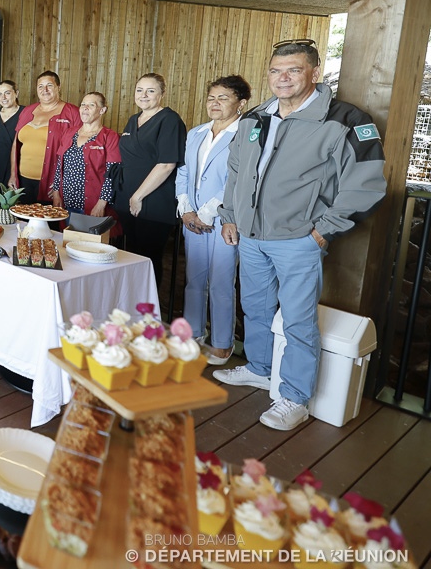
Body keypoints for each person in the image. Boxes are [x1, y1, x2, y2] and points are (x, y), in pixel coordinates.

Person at [214, 41, 385, 431]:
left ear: (314, 73)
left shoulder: (345, 120)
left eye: (293, 70)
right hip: (251, 235)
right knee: (255, 308)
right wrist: (230, 216)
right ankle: (259, 368)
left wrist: (323, 232)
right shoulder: (256, 116)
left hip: (299, 241)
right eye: (276, 71)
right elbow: (237, 171)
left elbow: (367, 183)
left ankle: (294, 396)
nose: (282, 78)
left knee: (298, 321)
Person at [175, 75, 251, 365]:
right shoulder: (196, 132)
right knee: (193, 279)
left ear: (241, 103)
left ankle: (222, 343)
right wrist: (185, 206)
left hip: (224, 218)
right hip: (192, 216)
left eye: (223, 98)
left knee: (221, 281)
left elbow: (240, 178)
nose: (215, 103)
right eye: (211, 98)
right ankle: (193, 334)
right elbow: (184, 171)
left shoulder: (245, 134)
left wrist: (209, 210)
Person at [113, 73, 186, 283]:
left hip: (152, 202)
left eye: (150, 90)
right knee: (131, 256)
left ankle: (148, 311)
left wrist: (137, 196)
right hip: (127, 200)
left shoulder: (169, 120)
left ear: (162, 94)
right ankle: (131, 306)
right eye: (139, 90)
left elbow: (166, 164)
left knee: (148, 260)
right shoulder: (133, 120)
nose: (144, 95)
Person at [49, 92, 121, 224]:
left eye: (91, 105)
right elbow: (60, 164)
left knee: (86, 243)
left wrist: (101, 204)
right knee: (65, 241)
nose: (85, 108)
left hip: (92, 205)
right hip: (66, 202)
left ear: (102, 110)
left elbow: (113, 174)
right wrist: (56, 192)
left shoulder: (110, 136)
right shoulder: (69, 133)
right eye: (83, 104)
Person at [10, 71, 81, 200]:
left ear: (58, 87)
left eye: (49, 85)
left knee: (47, 219)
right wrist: (13, 175)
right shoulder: (27, 111)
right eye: (40, 86)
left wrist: (62, 182)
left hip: (51, 183)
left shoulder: (72, 113)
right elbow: (16, 143)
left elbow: (79, 151)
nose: (45, 90)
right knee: (24, 218)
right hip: (23, 180)